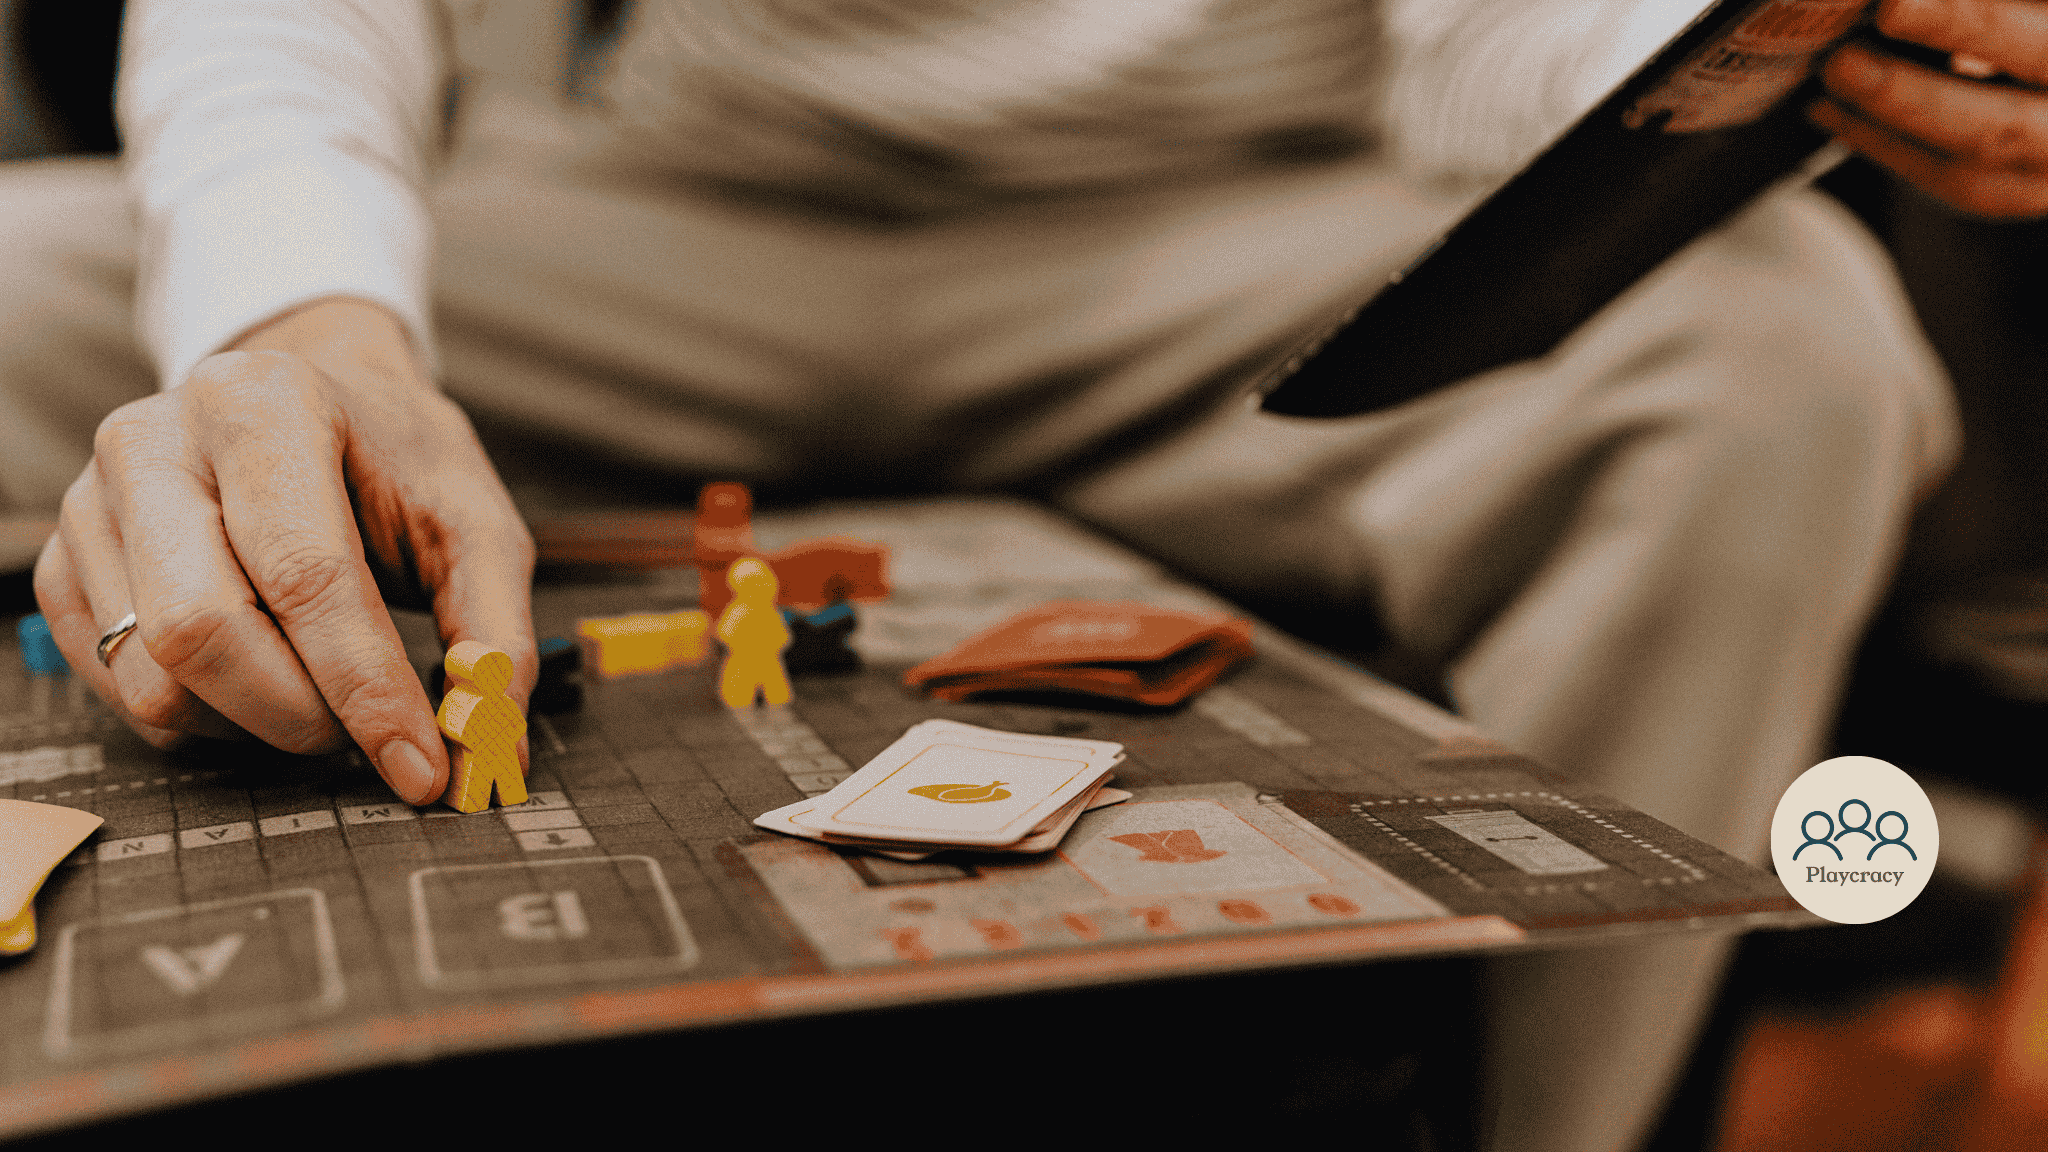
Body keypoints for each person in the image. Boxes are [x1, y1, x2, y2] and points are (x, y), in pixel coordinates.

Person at [3, 1, 2042, 1148]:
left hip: (1232, 239)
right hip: (670, 202)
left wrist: (1780, 37)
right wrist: (301, 331)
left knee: (1783, 354)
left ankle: (1535, 1128)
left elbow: (1497, 44)